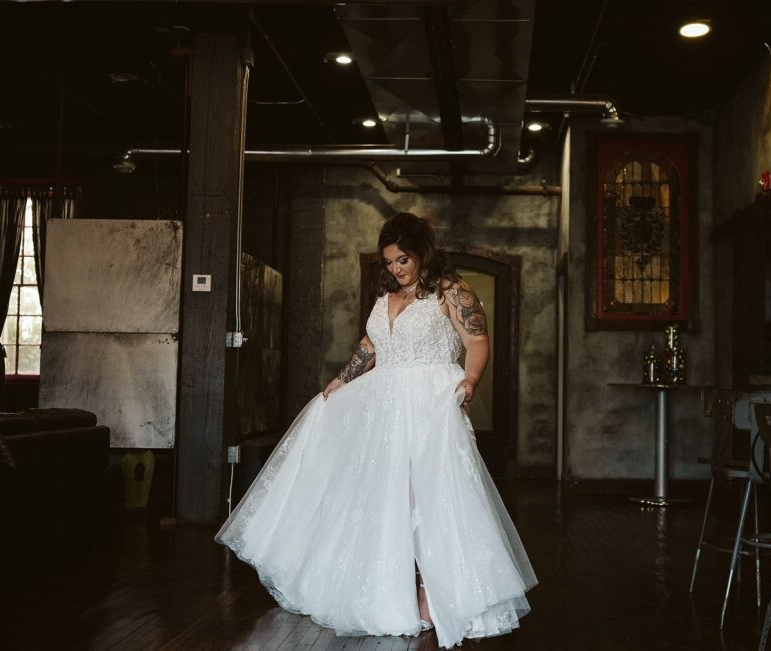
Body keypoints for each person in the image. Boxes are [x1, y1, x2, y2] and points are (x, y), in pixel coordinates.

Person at [215, 212, 536, 648]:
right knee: (382, 496)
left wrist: (471, 381)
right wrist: (343, 379)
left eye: (403, 260)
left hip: (429, 402)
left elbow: (478, 341)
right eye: (389, 262)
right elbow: (372, 345)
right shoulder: (387, 295)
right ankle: (387, 587)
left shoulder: (450, 290)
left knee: (428, 497)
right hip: (383, 402)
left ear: (422, 253)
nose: (396, 269)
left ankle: (433, 593)